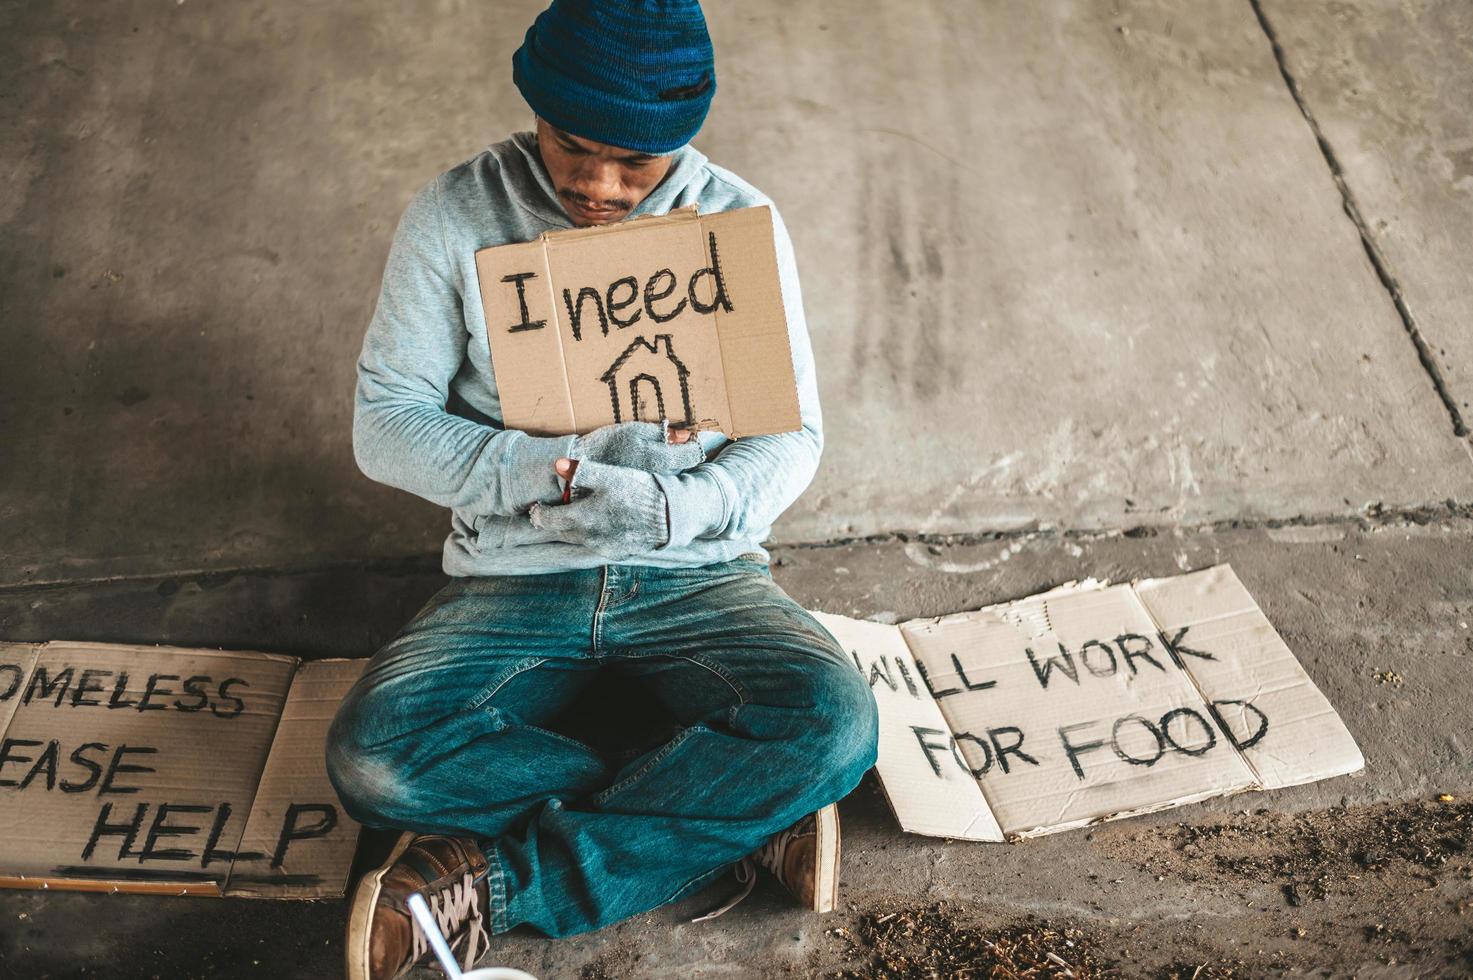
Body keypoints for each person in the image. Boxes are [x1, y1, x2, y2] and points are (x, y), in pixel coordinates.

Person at [324, 2, 878, 977]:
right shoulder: (456, 212)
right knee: (375, 757)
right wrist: (531, 471)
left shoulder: (734, 223)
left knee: (835, 723)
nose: (598, 185)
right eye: (572, 146)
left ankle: (500, 884)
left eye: (639, 161)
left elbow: (789, 433)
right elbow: (386, 422)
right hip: (513, 574)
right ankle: (726, 810)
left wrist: (680, 507)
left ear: (685, 136)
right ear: (533, 103)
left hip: (695, 570)